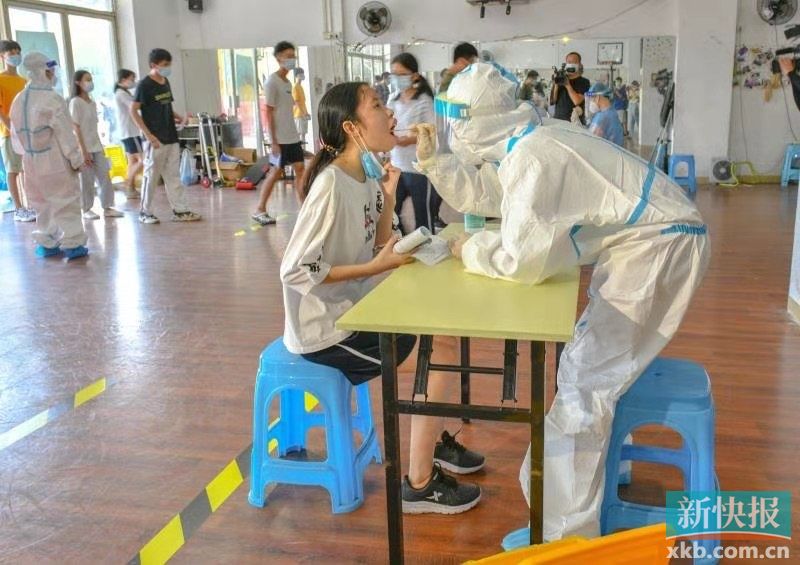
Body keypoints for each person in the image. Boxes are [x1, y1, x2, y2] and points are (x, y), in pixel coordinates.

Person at [414, 62, 709, 539]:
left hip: (658, 248)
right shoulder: (528, 140)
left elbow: (522, 261)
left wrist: (468, 249)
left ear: (479, 120)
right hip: (651, 241)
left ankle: (564, 537)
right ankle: (604, 475)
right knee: (593, 371)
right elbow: (497, 196)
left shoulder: (533, 156)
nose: (454, 130)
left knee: (584, 384)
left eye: (457, 119)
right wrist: (437, 164)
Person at [281, 81, 484, 515]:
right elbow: (296, 269)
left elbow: (377, 241)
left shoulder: (368, 175)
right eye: (377, 106)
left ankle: (432, 439)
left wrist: (389, 197)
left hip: (358, 308)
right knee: (441, 352)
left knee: (441, 332)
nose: (391, 113)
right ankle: (419, 483)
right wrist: (376, 268)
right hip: (328, 329)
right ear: (352, 128)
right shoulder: (331, 184)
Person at [10, 53, 88, 260]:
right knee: (66, 201)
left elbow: (15, 135)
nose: (53, 75)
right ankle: (73, 243)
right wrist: (76, 159)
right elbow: (65, 134)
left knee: (41, 202)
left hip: (30, 160)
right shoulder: (52, 99)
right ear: (43, 71)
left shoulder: (19, 99)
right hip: (54, 159)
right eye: (51, 71)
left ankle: (46, 242)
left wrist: (28, 153)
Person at [131, 48, 201, 224]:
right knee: (151, 176)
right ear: (153, 65)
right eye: (164, 64)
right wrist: (149, 135)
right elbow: (133, 111)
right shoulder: (144, 85)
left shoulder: (165, 81)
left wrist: (181, 118)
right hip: (155, 139)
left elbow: (167, 107)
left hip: (171, 136)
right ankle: (145, 212)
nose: (167, 67)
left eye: (169, 64)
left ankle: (180, 210)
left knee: (173, 176)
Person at [252, 41, 306, 225]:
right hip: (279, 139)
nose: (292, 59)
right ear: (278, 58)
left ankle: (304, 207)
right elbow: (268, 112)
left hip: (292, 137)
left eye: (293, 56)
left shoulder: (288, 82)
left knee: (300, 169)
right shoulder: (271, 82)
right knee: (276, 172)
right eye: (288, 56)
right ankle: (260, 209)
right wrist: (273, 141)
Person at [387, 53, 441, 233]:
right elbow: (387, 126)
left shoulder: (423, 101)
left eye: (402, 74)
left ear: (415, 76)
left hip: (418, 168)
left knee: (422, 216)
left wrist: (406, 140)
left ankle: (428, 244)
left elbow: (431, 131)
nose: (397, 79)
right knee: (392, 214)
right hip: (397, 166)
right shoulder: (393, 100)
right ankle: (402, 243)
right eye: (394, 74)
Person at [69, 70, 123, 220]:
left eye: (91, 79)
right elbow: (76, 127)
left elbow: (94, 126)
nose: (90, 82)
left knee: (104, 176)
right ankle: (86, 208)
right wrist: (83, 150)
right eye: (87, 79)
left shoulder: (92, 103)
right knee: (87, 180)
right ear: (78, 82)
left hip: (97, 146)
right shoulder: (75, 102)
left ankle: (107, 207)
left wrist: (101, 145)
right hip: (83, 147)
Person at [0, 40, 35, 222]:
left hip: (26, 132)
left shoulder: (24, 81)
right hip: (9, 134)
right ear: (2, 56)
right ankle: (18, 209)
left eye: (17, 52)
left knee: (25, 170)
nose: (15, 55)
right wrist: (13, 131)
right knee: (13, 170)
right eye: (11, 52)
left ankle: (29, 206)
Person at [114, 68, 144, 200]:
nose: (133, 82)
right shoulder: (121, 94)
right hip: (131, 132)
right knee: (143, 160)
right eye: (132, 79)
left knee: (132, 161)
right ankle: (127, 183)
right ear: (123, 80)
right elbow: (135, 107)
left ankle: (130, 188)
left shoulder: (123, 93)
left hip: (128, 132)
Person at [550, 52, 590, 123]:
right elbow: (553, 101)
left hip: (574, 122)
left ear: (579, 65)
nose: (571, 64)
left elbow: (577, 101)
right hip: (558, 120)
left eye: (574, 62)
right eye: (569, 62)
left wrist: (567, 85)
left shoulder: (584, 82)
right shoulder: (560, 78)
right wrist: (556, 84)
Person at [292, 67, 310, 146]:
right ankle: (301, 151)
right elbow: (296, 102)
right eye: (301, 74)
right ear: (296, 75)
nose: (303, 75)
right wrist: (303, 113)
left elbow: (303, 102)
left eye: (303, 73)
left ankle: (303, 150)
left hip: (303, 114)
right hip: (298, 115)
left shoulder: (301, 87)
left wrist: (306, 113)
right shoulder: (295, 87)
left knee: (303, 134)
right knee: (299, 135)